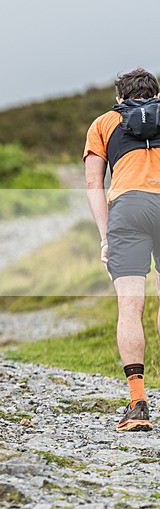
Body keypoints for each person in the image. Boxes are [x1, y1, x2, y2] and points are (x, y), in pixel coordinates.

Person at [84, 67, 160, 432]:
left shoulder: (103, 123)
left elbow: (92, 185)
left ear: (120, 98)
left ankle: (138, 403)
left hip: (128, 208)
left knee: (130, 307)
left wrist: (105, 237)